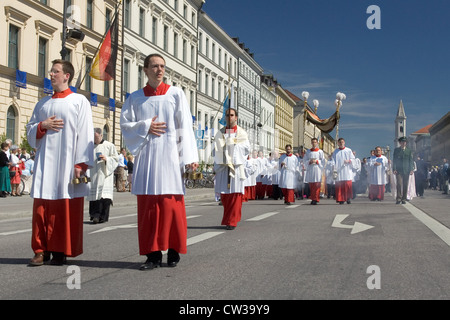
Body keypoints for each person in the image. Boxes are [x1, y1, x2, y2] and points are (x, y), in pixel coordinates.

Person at [120, 53, 198, 271]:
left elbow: (184, 125)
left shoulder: (175, 94)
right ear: (145, 70)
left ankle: (173, 250)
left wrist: (190, 157)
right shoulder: (135, 98)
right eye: (154, 66)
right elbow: (125, 125)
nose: (159, 70)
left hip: (170, 157)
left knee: (171, 206)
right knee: (149, 208)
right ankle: (152, 254)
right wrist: (145, 126)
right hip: (146, 158)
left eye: (162, 66)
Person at [26, 59, 94, 266]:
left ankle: (60, 250)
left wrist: (81, 164)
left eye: (55, 71)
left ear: (67, 76)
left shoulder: (79, 101)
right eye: (51, 71)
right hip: (46, 163)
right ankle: (40, 249)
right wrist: (42, 125)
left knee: (64, 208)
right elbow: (30, 130)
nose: (51, 74)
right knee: (41, 207)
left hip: (67, 163)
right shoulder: (42, 103)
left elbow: (85, 132)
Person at [213, 107, 250, 230]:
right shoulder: (220, 132)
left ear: (236, 117)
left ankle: (231, 221)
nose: (229, 117)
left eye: (232, 115)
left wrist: (233, 144)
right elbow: (216, 149)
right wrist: (224, 148)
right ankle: (229, 218)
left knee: (235, 195)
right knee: (225, 196)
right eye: (227, 115)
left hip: (235, 167)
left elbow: (246, 149)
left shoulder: (242, 133)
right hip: (224, 167)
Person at [87, 128, 119, 224]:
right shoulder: (90, 146)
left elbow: (116, 159)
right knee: (94, 196)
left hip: (105, 175)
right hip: (94, 175)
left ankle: (102, 216)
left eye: (96, 137)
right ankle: (94, 215)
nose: (95, 139)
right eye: (93, 137)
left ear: (101, 135)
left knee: (103, 197)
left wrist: (107, 159)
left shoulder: (109, 145)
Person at [331, 138, 356, 204]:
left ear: (344, 142)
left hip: (347, 170)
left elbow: (353, 159)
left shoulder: (348, 150)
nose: (341, 143)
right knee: (340, 185)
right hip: (339, 170)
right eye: (340, 142)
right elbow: (333, 160)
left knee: (347, 185)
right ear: (338, 143)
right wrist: (333, 166)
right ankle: (341, 199)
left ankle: (348, 198)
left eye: (342, 142)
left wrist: (349, 161)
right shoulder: (336, 151)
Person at [392, 137, 414, 204]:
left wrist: (411, 169)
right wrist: (394, 168)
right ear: (400, 143)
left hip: (406, 170)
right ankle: (398, 198)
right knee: (399, 184)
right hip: (399, 170)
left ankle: (404, 198)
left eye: (405, 142)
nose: (403, 143)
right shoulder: (396, 150)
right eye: (402, 142)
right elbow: (394, 160)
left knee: (405, 184)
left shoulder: (409, 151)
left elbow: (411, 161)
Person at [303, 138, 325, 205]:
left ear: (317, 143)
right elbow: (304, 160)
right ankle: (313, 198)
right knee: (311, 185)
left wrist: (317, 161)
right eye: (312, 142)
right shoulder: (308, 151)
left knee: (317, 185)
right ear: (311, 143)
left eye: (315, 142)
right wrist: (309, 161)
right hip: (310, 169)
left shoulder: (320, 151)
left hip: (317, 169)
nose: (314, 143)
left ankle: (316, 199)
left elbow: (323, 161)